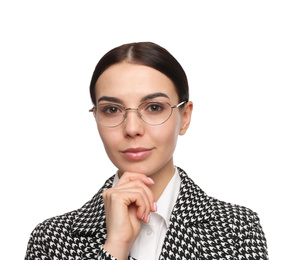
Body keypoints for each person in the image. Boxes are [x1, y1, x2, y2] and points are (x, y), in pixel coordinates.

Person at [25, 42, 268, 260]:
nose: (132, 129)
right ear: (96, 117)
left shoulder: (238, 230)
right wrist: (115, 246)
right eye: (112, 109)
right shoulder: (50, 241)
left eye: (154, 107)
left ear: (185, 117)